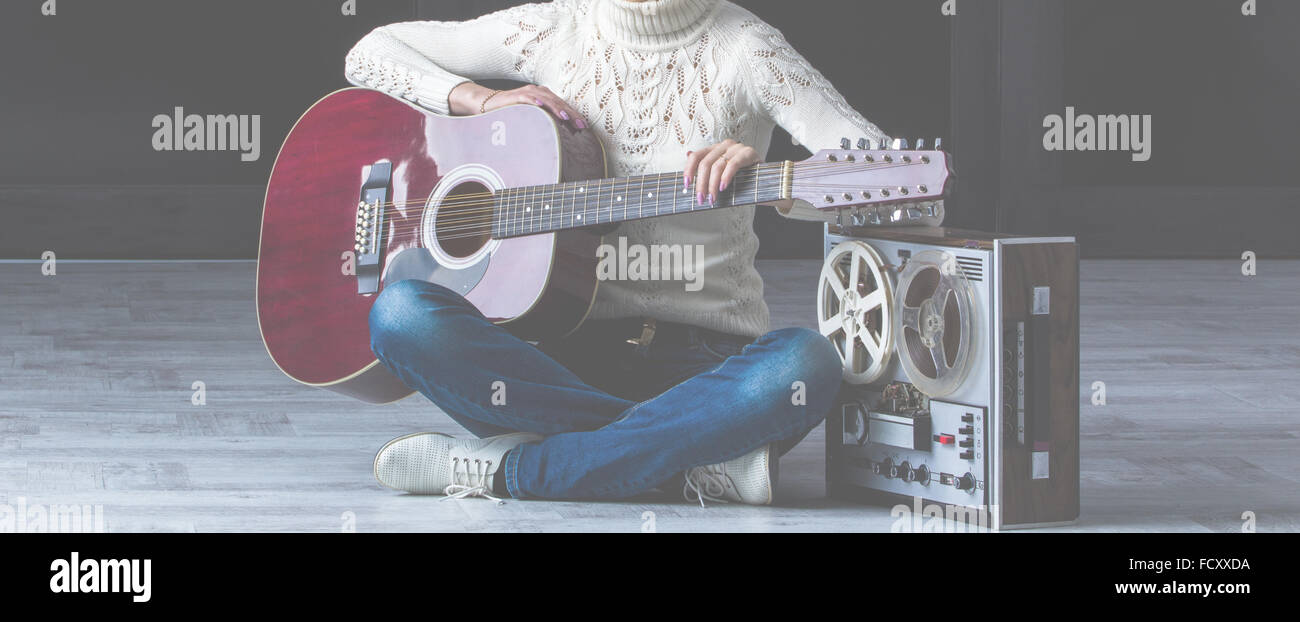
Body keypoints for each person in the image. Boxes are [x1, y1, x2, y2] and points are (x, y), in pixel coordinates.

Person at [346, 0, 899, 505]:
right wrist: (481, 99)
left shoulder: (750, 48)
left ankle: (510, 472)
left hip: (711, 370)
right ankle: (686, 460)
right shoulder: (553, 28)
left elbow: (898, 190)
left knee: (807, 362)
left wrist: (779, 185)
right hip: (561, 362)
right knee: (400, 315)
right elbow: (371, 53)